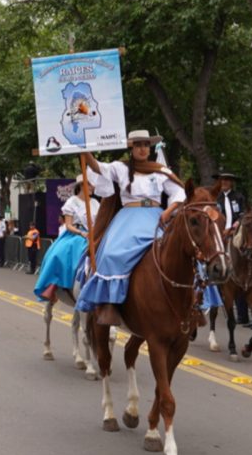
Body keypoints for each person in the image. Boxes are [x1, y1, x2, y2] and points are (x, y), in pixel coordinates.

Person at [75, 129, 190, 324]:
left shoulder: (161, 171)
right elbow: (97, 167)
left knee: (182, 251)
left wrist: (169, 211)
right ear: (131, 148)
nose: (143, 149)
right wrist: (84, 149)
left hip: (156, 217)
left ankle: (193, 303)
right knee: (110, 254)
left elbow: (179, 193)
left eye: (146, 145)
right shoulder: (120, 167)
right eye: (138, 145)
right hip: (128, 218)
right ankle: (110, 303)